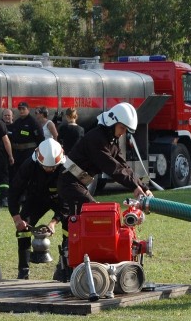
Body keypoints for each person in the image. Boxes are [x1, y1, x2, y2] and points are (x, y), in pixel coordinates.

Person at [56, 102, 152, 281]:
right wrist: (133, 187)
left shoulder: (110, 141)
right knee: (95, 215)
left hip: (77, 183)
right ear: (112, 122)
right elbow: (113, 168)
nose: (123, 132)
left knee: (82, 223)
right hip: (69, 183)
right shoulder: (96, 139)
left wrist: (143, 188)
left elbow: (123, 166)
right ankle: (70, 269)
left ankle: (66, 270)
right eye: (122, 127)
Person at [9, 138, 65, 280]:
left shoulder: (66, 168)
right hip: (36, 198)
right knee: (22, 230)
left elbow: (69, 201)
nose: (49, 170)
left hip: (59, 199)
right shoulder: (28, 165)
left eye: (52, 168)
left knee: (71, 227)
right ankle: (23, 271)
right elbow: (14, 191)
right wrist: (17, 218)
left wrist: (54, 222)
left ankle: (65, 267)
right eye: (45, 167)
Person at [9, 101, 42, 180]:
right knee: (17, 174)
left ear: (28, 109)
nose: (21, 111)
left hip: (28, 153)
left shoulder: (33, 122)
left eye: (23, 109)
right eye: (20, 109)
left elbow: (40, 138)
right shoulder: (17, 122)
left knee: (28, 173)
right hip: (17, 153)